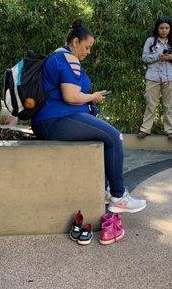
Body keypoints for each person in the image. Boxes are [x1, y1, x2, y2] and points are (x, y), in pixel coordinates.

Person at [31, 19, 147, 213]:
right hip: (56, 119)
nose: (88, 52)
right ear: (75, 42)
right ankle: (118, 196)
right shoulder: (69, 59)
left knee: (104, 139)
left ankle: (106, 191)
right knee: (114, 137)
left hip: (51, 119)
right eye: (87, 47)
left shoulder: (58, 57)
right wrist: (93, 97)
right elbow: (71, 96)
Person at [137, 17, 172, 141]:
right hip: (153, 77)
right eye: (161, 28)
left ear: (170, 29)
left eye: (167, 28)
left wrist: (171, 58)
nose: (164, 30)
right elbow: (145, 58)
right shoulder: (150, 41)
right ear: (157, 28)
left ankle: (170, 130)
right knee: (150, 104)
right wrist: (158, 56)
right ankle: (145, 129)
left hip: (170, 77)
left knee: (169, 105)